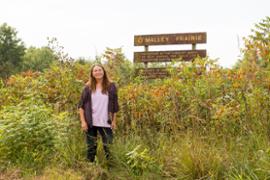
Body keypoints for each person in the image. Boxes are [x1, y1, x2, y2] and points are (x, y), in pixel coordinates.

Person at [78, 64, 119, 162]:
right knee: (91, 147)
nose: (98, 72)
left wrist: (114, 121)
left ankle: (111, 167)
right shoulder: (87, 87)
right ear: (92, 73)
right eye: (95, 71)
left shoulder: (111, 86)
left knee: (108, 146)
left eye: (99, 70)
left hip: (106, 121)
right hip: (90, 122)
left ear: (103, 71)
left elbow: (115, 106)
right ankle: (90, 167)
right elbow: (81, 106)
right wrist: (83, 122)